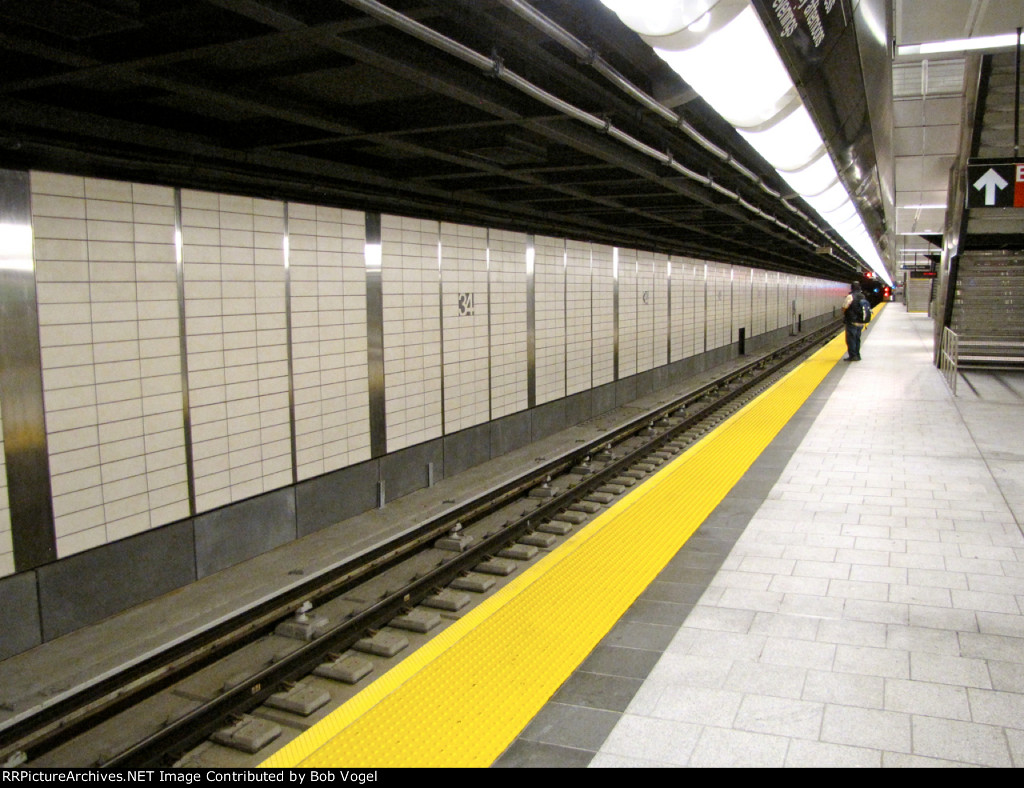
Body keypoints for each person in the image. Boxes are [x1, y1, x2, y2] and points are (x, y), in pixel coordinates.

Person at [842, 282, 868, 361]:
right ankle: (857, 355)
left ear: (852, 288)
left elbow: (844, 307)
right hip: (861, 322)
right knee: (857, 339)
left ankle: (853, 356)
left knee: (851, 339)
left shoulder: (850, 296)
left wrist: (846, 313)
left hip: (852, 321)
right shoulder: (863, 296)